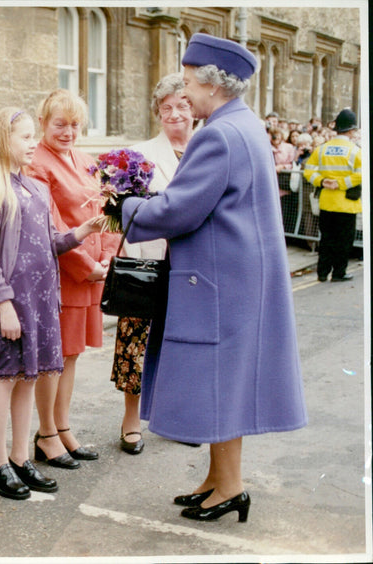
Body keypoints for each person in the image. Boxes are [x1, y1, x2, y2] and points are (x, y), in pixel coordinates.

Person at [106, 33, 307, 523]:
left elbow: (180, 209)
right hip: (236, 278)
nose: (186, 91)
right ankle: (219, 480)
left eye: (191, 82)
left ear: (214, 85)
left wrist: (124, 206)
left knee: (220, 384)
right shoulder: (244, 125)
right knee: (226, 384)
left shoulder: (217, 134)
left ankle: (231, 487)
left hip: (220, 283)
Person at [0, 107, 101, 499]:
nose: (31, 144)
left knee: (29, 379)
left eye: (30, 137)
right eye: (24, 138)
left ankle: (22, 458)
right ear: (2, 141)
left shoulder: (36, 188)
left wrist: (82, 231)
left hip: (43, 302)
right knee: (5, 379)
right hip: (15, 304)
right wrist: (3, 304)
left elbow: (51, 243)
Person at [26, 90, 120, 468]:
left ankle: (62, 427)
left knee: (71, 355)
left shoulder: (85, 160)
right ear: (43, 123)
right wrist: (86, 265)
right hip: (63, 274)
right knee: (55, 358)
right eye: (59, 124)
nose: (67, 131)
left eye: (75, 124)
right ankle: (46, 433)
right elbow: (52, 226)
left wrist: (109, 257)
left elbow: (107, 210)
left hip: (93, 272)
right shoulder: (37, 162)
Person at [109, 73, 196, 455]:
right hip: (147, 262)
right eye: (166, 108)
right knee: (136, 343)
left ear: (194, 108)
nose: (174, 114)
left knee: (183, 345)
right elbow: (119, 214)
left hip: (191, 266)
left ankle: (177, 417)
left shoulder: (206, 151)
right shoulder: (139, 154)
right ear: (158, 113)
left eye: (182, 105)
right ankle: (131, 421)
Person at [303, 108, 362, 283]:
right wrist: (341, 183)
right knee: (344, 241)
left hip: (327, 202)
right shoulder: (355, 150)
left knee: (326, 239)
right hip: (346, 204)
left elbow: (308, 171)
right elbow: (361, 174)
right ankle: (338, 273)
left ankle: (322, 273)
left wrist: (322, 181)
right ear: (351, 130)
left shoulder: (321, 149)